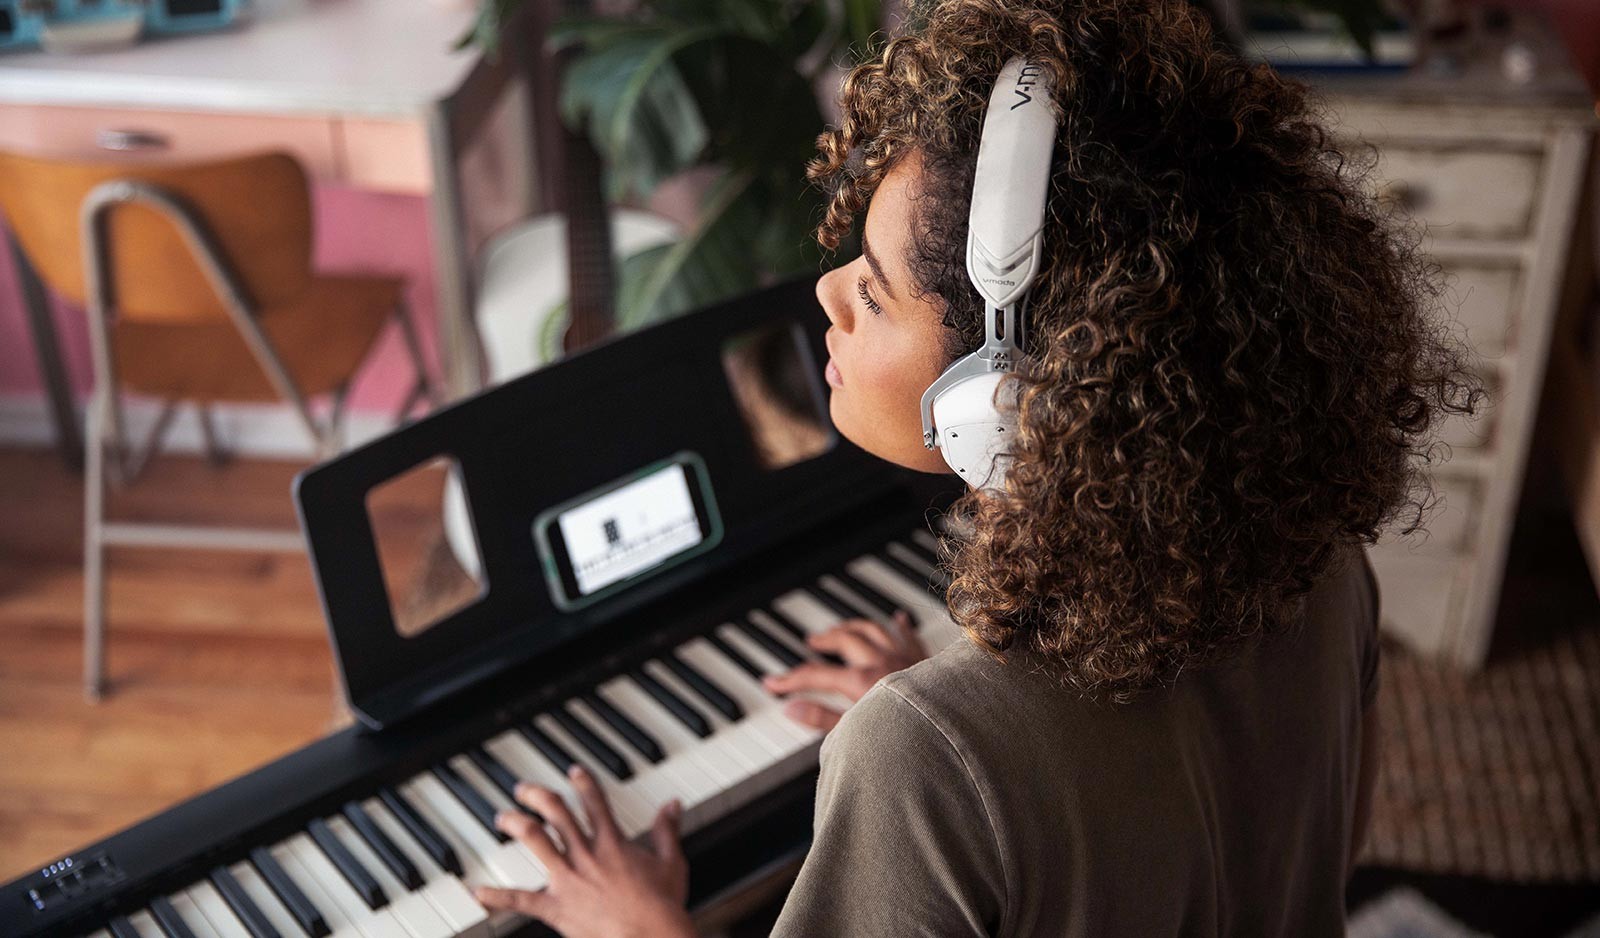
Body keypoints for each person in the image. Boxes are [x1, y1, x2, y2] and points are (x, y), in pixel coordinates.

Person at [474, 0, 1479, 934]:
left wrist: (636, 921)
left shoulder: (918, 751)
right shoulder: (1323, 567)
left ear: (1003, 398)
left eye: (871, 289)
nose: (824, 294)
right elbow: (1315, 855)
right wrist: (985, 750)